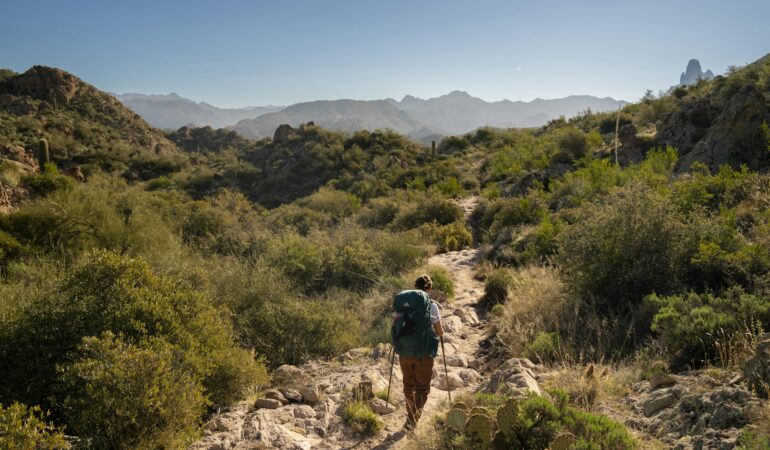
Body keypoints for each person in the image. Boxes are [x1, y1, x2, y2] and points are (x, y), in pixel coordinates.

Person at [392, 274, 444, 431]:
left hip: (404, 353)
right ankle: (413, 419)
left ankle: (410, 415)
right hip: (423, 354)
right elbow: (440, 331)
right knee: (422, 388)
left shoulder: (403, 305)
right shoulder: (432, 306)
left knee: (408, 385)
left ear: (415, 287)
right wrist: (439, 333)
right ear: (429, 288)